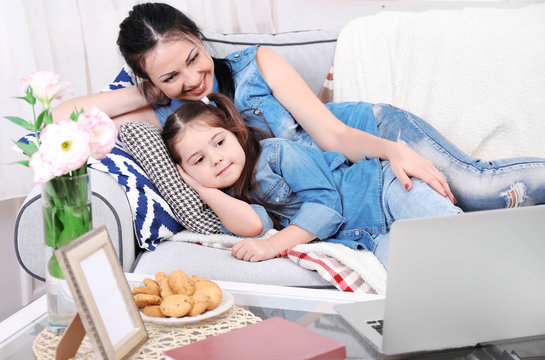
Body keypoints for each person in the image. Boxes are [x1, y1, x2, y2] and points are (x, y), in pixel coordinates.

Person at [52, 2, 545, 214]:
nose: (192, 78)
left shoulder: (256, 64)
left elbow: (330, 135)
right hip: (342, 187)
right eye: (170, 75)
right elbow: (57, 120)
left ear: (202, 40)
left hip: (370, 130)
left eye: (193, 59)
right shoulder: (165, 113)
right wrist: (150, 93)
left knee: (480, 188)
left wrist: (392, 150)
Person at [161, 93, 462, 266]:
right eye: (198, 160)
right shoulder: (233, 199)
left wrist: (272, 246)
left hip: (386, 191)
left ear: (235, 134)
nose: (215, 159)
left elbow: (326, 206)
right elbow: (254, 226)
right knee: (421, 277)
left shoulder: (275, 154)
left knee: (457, 238)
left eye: (219, 143)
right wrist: (200, 186)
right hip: (368, 238)